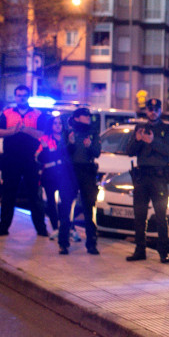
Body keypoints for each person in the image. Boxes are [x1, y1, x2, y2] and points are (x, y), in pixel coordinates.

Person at [0, 85, 48, 238]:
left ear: (28, 97)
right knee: (8, 194)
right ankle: (3, 227)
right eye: (18, 95)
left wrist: (25, 129)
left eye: (24, 95)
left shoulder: (38, 114)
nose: (21, 98)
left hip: (31, 160)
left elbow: (43, 134)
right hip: (11, 159)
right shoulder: (7, 113)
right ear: (15, 97)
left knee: (34, 196)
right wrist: (13, 131)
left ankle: (41, 229)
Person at [126, 97, 169, 262]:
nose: (153, 112)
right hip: (142, 177)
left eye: (156, 109)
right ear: (146, 111)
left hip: (158, 177)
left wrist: (153, 141)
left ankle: (163, 253)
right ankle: (140, 250)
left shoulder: (167, 129)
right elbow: (130, 151)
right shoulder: (140, 128)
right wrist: (139, 140)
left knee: (161, 215)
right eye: (150, 109)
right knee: (139, 215)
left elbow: (168, 150)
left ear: (160, 110)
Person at [35, 115, 74, 255]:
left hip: (64, 173)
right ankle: (55, 228)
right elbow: (39, 157)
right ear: (50, 125)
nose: (58, 125)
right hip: (49, 174)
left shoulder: (66, 139)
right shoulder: (44, 139)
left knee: (65, 203)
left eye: (60, 123)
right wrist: (53, 153)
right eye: (55, 123)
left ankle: (69, 229)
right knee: (51, 202)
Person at [65, 107, 101, 255]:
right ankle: (63, 242)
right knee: (67, 207)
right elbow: (64, 152)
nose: (88, 118)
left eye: (88, 116)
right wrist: (71, 144)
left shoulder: (92, 132)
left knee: (88, 208)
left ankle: (91, 244)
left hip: (87, 171)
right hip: (71, 171)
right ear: (77, 117)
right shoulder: (69, 131)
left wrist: (90, 146)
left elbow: (97, 153)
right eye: (85, 116)